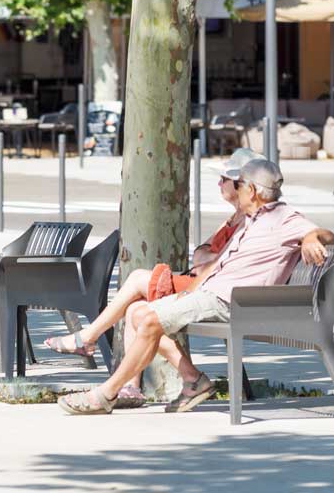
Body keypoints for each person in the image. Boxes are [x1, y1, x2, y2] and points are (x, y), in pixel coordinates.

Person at [57, 159, 334, 415]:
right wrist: (191, 291)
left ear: (252, 190)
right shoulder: (250, 221)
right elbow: (217, 267)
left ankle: (105, 394)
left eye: (238, 185)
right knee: (138, 312)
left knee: (150, 318)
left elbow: (326, 234)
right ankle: (194, 380)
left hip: (234, 302)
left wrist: (311, 236)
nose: (236, 190)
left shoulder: (282, 217)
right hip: (212, 294)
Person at [43, 147, 263, 408]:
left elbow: (215, 261)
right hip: (202, 281)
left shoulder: (249, 220)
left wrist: (206, 259)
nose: (219, 183)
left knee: (137, 279)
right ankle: (148, 385)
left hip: (210, 288)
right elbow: (201, 254)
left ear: (242, 184)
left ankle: (88, 338)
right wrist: (206, 256)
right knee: (136, 309)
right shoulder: (233, 219)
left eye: (225, 179)